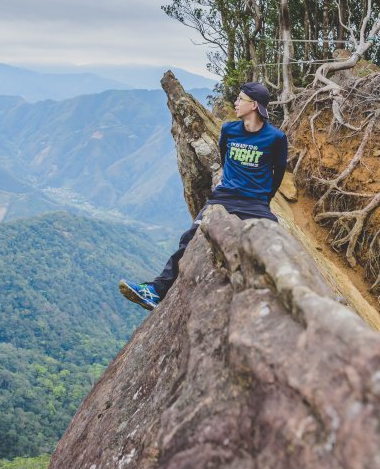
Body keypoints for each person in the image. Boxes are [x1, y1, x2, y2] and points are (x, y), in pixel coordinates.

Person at [119, 81, 288, 310]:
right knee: (190, 237)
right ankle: (156, 290)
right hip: (224, 197)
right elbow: (223, 155)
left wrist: (263, 199)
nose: (236, 103)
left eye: (241, 99)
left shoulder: (276, 138)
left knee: (272, 243)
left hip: (255, 202)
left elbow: (278, 173)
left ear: (254, 106)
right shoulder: (229, 130)